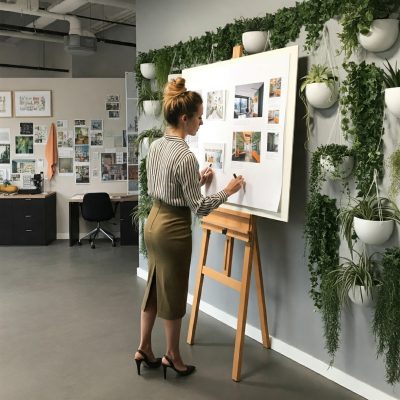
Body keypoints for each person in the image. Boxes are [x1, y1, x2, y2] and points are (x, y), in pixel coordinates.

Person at [134, 77, 244, 379]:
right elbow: (200, 209)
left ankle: (144, 347)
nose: (201, 121)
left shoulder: (156, 145)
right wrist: (229, 190)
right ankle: (173, 356)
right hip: (173, 229)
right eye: (198, 116)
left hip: (154, 222)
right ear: (185, 118)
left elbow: (165, 186)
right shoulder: (184, 155)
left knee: (155, 288)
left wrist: (196, 182)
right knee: (174, 293)